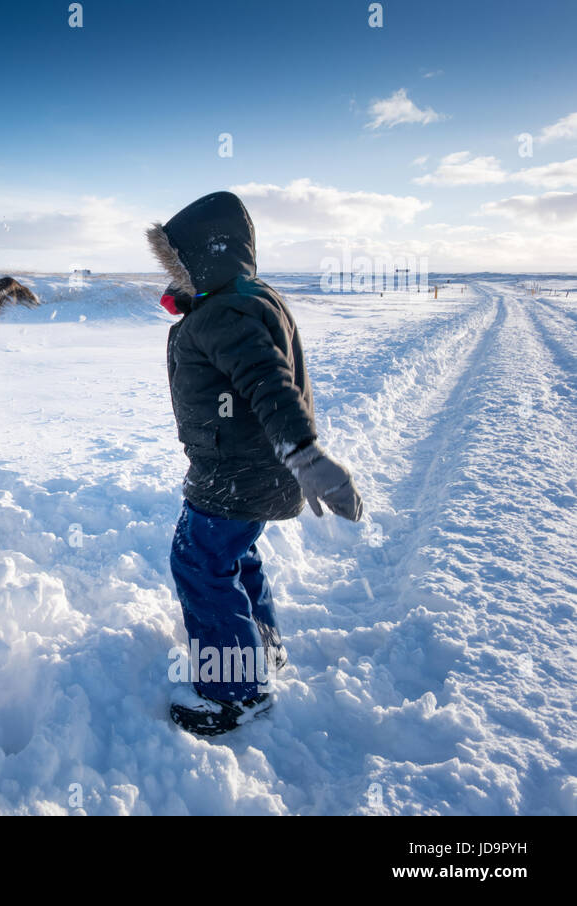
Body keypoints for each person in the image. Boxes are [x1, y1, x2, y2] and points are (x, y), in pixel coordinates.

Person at [147, 191, 364, 736]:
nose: (176, 275)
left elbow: (269, 383)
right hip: (246, 467)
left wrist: (304, 452)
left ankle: (235, 692)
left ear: (207, 253)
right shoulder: (240, 298)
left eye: (180, 262)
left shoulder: (228, 313)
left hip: (236, 472)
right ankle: (260, 645)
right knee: (233, 557)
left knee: (199, 562)